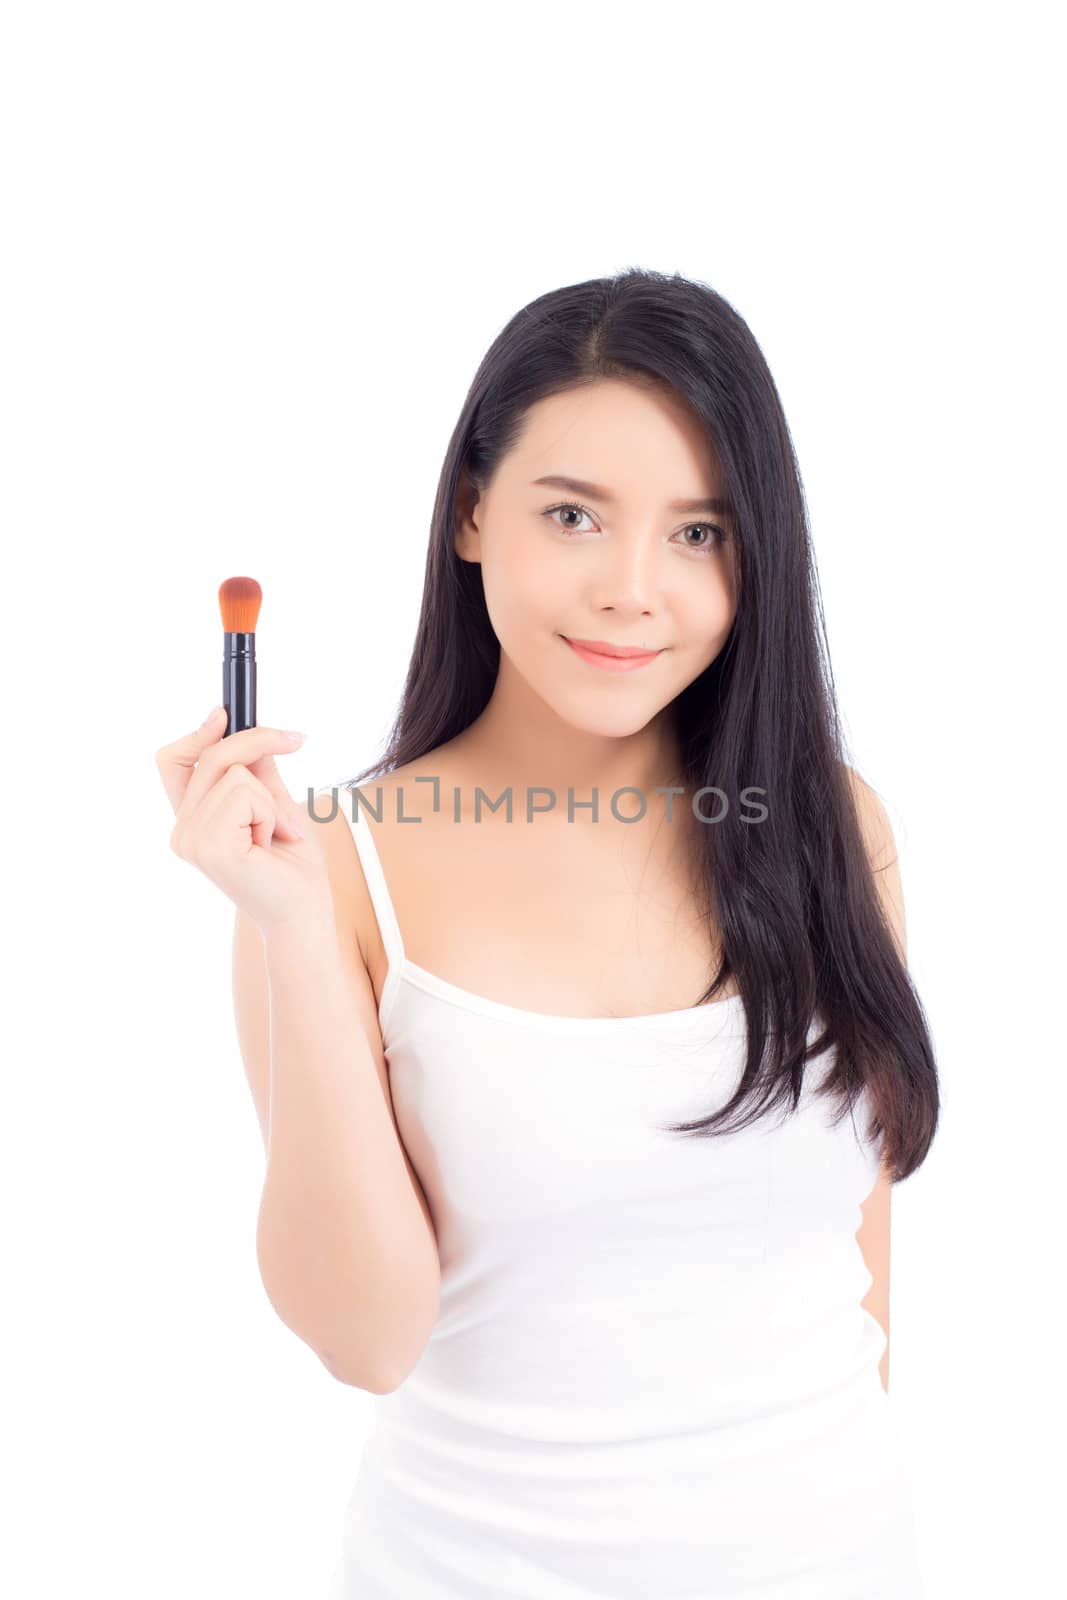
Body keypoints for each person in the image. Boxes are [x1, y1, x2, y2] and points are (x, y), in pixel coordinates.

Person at [156, 267, 937, 1597]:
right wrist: (288, 928)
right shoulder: (341, 871)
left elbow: (861, 1283)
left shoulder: (832, 826)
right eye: (574, 515)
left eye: (700, 534)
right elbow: (366, 1338)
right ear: (471, 512)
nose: (634, 590)